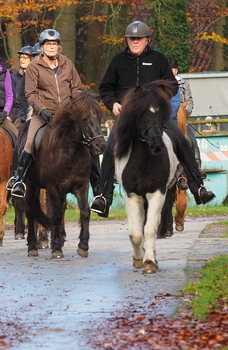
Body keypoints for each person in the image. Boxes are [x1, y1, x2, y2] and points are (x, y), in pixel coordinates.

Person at [89, 21, 215, 217]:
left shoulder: (159, 59)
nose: (135, 42)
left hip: (155, 115)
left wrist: (158, 97)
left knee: (182, 141)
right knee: (109, 147)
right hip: (128, 118)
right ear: (127, 40)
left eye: (139, 39)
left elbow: (172, 86)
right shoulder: (118, 61)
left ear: (147, 40)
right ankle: (103, 197)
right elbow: (106, 88)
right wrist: (113, 103)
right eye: (132, 39)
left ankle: (197, 187)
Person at [7, 29, 85, 198]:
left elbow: (77, 89)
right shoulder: (34, 66)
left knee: (87, 138)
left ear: (59, 47)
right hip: (43, 114)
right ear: (42, 47)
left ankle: (98, 186)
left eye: (54, 44)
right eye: (48, 44)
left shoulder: (68, 64)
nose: (51, 47)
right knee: (31, 142)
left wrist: (74, 108)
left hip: (67, 114)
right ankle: (19, 180)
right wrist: (41, 110)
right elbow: (31, 93)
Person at [167, 55, 203, 189]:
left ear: (177, 70)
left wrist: (184, 113)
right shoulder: (162, 83)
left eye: (174, 69)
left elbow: (190, 101)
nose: (172, 71)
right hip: (166, 118)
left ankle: (197, 167)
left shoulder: (184, 84)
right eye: (169, 69)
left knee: (192, 138)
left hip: (181, 116)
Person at [9, 44, 42, 127]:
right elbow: (16, 98)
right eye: (20, 57)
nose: (21, 60)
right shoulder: (13, 77)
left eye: (25, 57)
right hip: (18, 113)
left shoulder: (40, 75)